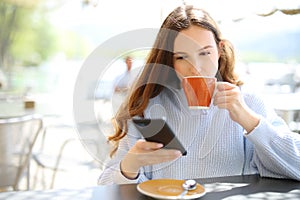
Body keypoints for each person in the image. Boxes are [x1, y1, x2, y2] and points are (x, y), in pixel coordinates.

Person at [98, 5, 300, 185]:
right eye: (182, 57)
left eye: (205, 53)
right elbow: (104, 185)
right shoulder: (148, 107)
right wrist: (129, 167)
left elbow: (296, 165)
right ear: (170, 61)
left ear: (220, 50)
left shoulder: (247, 101)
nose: (196, 68)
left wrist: (249, 120)